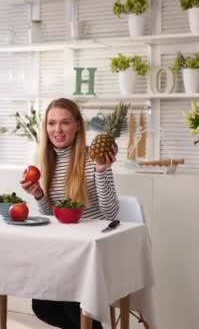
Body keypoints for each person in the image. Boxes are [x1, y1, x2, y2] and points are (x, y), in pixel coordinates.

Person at [20, 98, 120, 329]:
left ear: (77, 126)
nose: (57, 130)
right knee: (42, 305)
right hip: (64, 247)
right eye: (52, 123)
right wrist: (38, 194)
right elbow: (52, 215)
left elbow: (110, 212)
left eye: (65, 123)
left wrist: (102, 171)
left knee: (67, 296)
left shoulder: (92, 157)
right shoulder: (46, 161)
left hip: (92, 249)